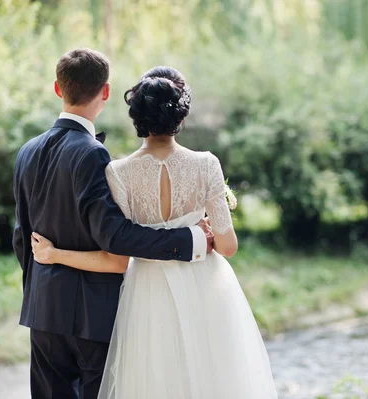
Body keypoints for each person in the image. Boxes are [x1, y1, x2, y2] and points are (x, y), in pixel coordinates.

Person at [31, 66, 279, 398]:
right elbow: (228, 246)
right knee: (211, 376)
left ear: (138, 118)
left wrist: (54, 255)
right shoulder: (206, 164)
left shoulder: (117, 171)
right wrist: (202, 226)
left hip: (146, 290)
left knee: (154, 380)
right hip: (205, 285)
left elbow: (116, 256)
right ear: (180, 114)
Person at [12, 49, 213, 399]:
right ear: (105, 92)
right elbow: (114, 236)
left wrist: (41, 285)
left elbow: (21, 237)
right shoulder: (91, 153)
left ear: (58, 89)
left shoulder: (27, 151)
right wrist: (189, 239)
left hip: (42, 311)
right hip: (90, 315)